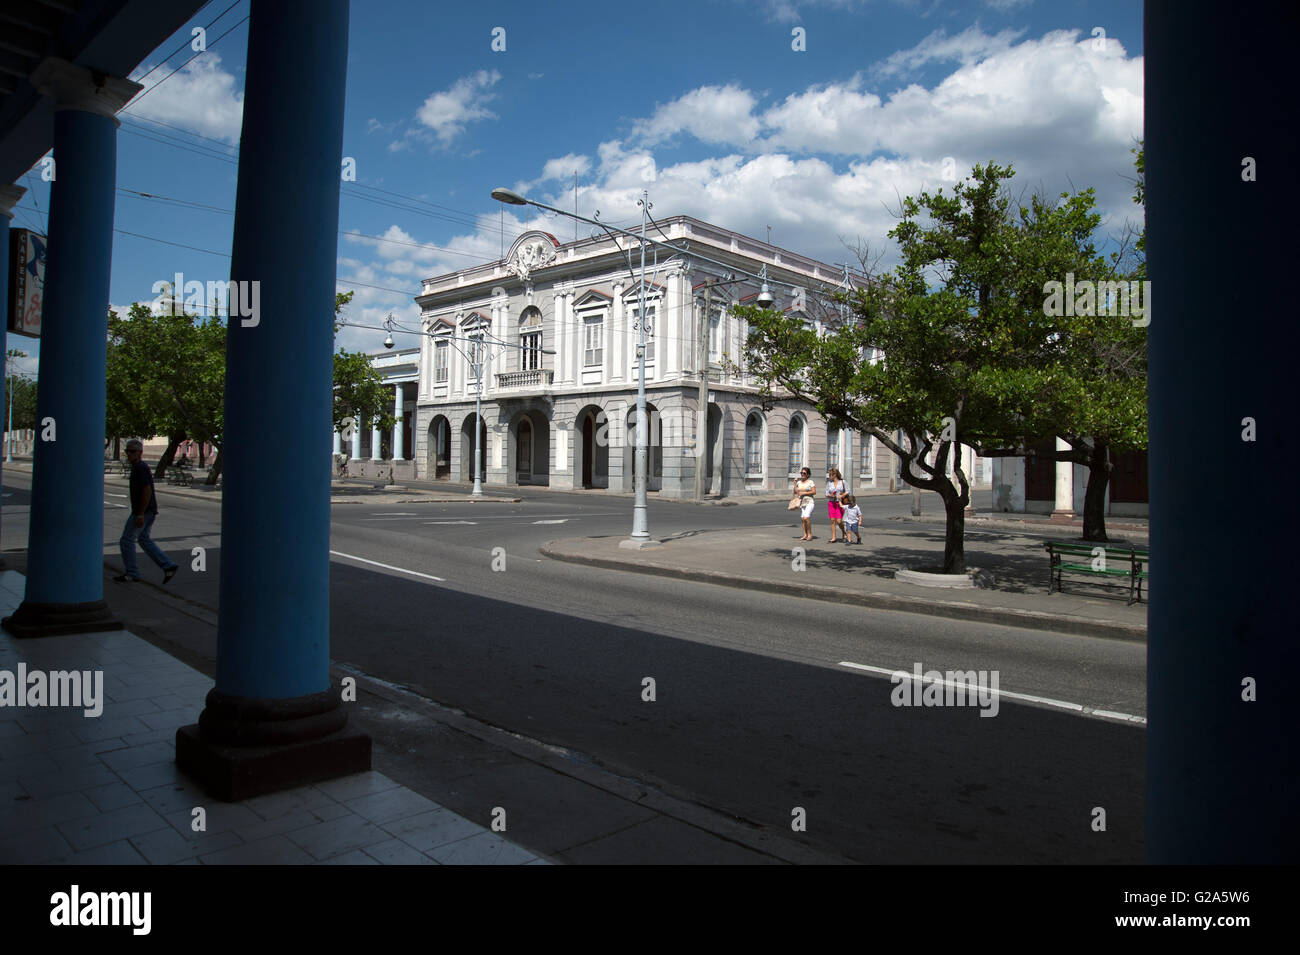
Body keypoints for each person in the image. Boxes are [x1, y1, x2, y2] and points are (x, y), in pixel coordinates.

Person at [115, 439, 179, 584]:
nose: (129, 454)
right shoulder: (138, 467)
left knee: (126, 540)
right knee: (143, 539)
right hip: (147, 510)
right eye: (128, 451)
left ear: (140, 453)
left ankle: (132, 573)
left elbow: (147, 490)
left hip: (144, 511)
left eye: (133, 451)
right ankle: (168, 565)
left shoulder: (140, 467)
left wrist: (140, 514)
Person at [793, 467, 817, 541]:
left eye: (804, 473)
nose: (802, 474)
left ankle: (810, 534)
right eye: (801, 473)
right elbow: (796, 492)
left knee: (806, 517)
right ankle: (805, 534)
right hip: (802, 502)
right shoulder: (799, 482)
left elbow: (814, 492)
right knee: (803, 519)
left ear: (808, 474)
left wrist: (805, 493)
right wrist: (794, 483)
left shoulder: (810, 482)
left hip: (810, 502)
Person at [826, 467, 847, 542]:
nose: (829, 476)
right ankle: (834, 537)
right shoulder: (829, 483)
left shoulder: (842, 482)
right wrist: (830, 495)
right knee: (832, 520)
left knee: (839, 521)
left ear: (834, 474)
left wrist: (842, 495)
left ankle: (844, 532)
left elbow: (848, 491)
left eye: (830, 475)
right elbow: (826, 493)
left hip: (840, 503)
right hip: (831, 503)